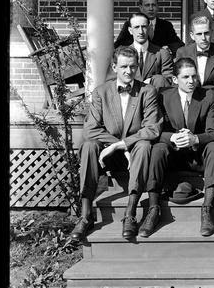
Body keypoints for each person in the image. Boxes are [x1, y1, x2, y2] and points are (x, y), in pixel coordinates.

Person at [70, 46, 163, 242]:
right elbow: (91, 129)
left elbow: (152, 128)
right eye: (123, 67)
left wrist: (123, 145)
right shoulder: (101, 92)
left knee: (144, 144)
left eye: (132, 66)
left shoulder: (147, 91)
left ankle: (130, 213)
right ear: (114, 67)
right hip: (107, 157)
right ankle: (86, 214)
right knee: (88, 145)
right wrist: (117, 145)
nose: (129, 71)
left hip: (136, 156)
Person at [149, 58, 214, 237]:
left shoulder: (209, 96)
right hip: (173, 156)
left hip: (198, 156)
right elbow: (154, 129)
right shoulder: (163, 96)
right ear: (175, 80)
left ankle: (207, 208)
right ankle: (153, 208)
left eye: (194, 76)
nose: (191, 81)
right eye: (185, 77)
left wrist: (195, 139)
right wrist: (172, 137)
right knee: (158, 148)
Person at [109, 13, 174, 89]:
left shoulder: (162, 54)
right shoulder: (120, 54)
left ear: (149, 28)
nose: (141, 31)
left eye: (144, 27)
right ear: (130, 30)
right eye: (136, 27)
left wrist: (152, 81)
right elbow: (112, 79)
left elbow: (168, 80)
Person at [175, 15, 214, 100]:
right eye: (199, 34)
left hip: (213, 98)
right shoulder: (182, 52)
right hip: (189, 97)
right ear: (192, 35)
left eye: (206, 33)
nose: (203, 38)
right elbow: (180, 80)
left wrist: (210, 98)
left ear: (211, 32)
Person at [114, 0, 184, 56]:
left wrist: (169, 47)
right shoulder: (131, 24)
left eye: (153, 5)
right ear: (141, 7)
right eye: (147, 5)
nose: (151, 8)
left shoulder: (166, 25)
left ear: (157, 7)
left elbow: (179, 44)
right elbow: (119, 45)